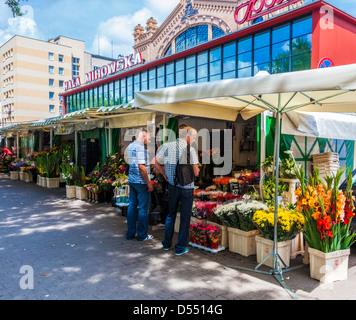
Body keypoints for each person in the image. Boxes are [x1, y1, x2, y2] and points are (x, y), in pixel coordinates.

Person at [152, 126, 200, 256]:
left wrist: (164, 174)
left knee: (170, 215)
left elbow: (154, 162)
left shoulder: (167, 146)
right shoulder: (191, 150)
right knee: (185, 218)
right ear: (188, 136)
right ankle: (180, 248)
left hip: (172, 187)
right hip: (187, 189)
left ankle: (166, 244)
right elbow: (196, 171)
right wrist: (197, 170)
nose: (194, 141)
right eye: (194, 137)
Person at [126, 129, 154, 241]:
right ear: (143, 136)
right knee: (143, 209)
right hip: (141, 182)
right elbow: (141, 167)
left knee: (132, 207)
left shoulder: (131, 146)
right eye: (149, 137)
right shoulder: (140, 148)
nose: (150, 140)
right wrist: (148, 182)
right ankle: (142, 235)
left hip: (132, 181)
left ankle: (130, 233)